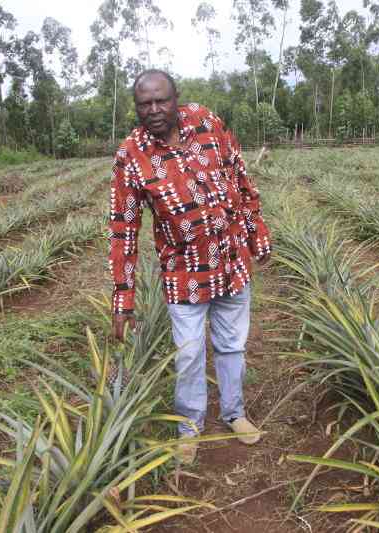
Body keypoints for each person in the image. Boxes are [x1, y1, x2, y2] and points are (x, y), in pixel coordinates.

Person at [108, 69, 272, 464]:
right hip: (184, 273)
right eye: (144, 104)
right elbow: (123, 229)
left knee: (232, 345)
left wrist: (256, 230)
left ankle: (234, 413)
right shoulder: (131, 156)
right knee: (188, 354)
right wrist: (122, 300)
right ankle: (190, 427)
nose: (154, 110)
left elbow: (239, 176)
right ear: (137, 108)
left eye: (161, 100)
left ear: (176, 97)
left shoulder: (206, 120)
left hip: (231, 261)